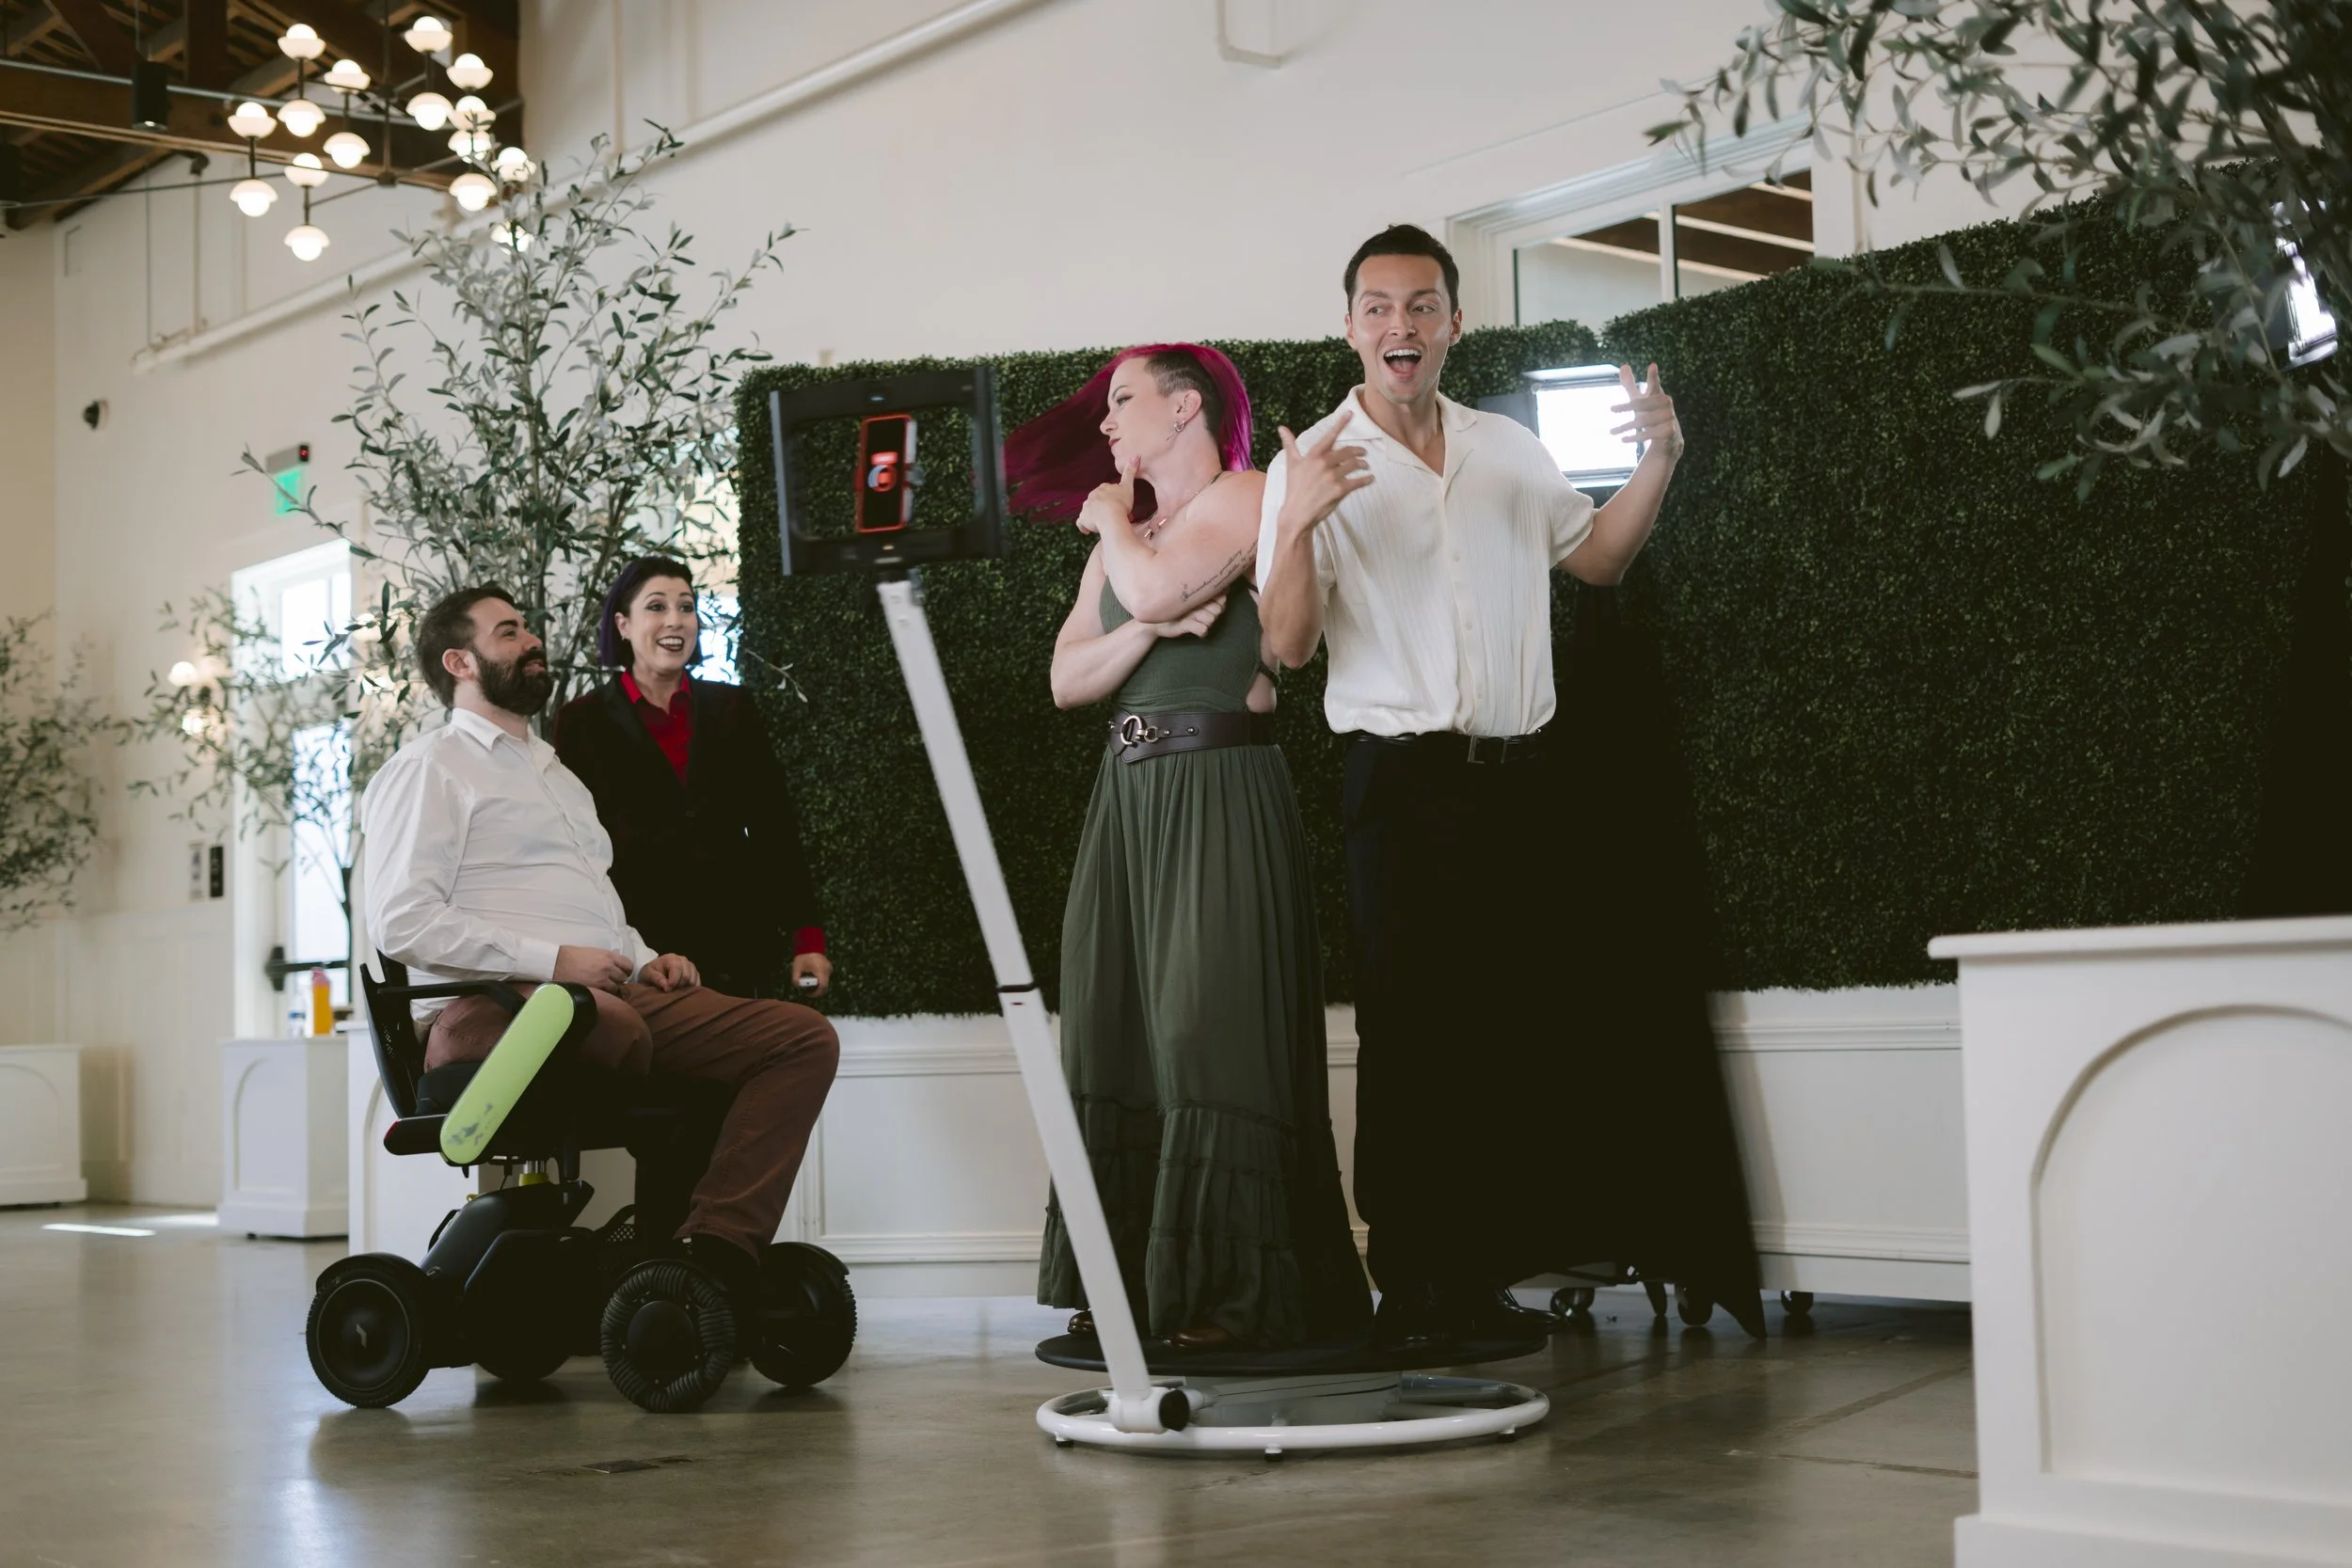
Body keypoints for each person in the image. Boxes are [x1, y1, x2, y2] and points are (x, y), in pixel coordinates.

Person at [1256, 224, 1688, 1348]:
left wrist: (1658, 459)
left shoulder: (1507, 447)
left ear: (1454, 321)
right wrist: (1295, 523)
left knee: (1504, 1028)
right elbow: (1287, 646)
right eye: (1378, 306)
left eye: (1421, 304)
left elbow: (1597, 558)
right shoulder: (1309, 466)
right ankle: (1412, 1286)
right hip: (1401, 784)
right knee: (1410, 1035)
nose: (1399, 324)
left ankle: (1480, 1272)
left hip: (1519, 781)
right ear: (1349, 326)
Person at [1013, 343, 1370, 1351]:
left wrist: (1107, 524)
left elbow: (1165, 592)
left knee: (1208, 1031)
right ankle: (1129, 1282)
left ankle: (1225, 1295)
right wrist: (1143, 633)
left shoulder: (1247, 495)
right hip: (1125, 798)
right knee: (1116, 1031)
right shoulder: (1130, 536)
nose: (1105, 422)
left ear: (1183, 408)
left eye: (1122, 399)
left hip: (1217, 786)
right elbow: (1068, 678)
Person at [360, 584, 841, 1317]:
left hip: (601, 994)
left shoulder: (555, 772)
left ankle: (711, 1254)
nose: (532, 640)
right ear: (459, 662)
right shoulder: (431, 767)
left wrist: (646, 958)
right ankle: (631, 1269)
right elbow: (402, 921)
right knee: (609, 1022)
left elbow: (595, 905)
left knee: (799, 1037)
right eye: (508, 631)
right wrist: (554, 961)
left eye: (528, 628)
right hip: (501, 1007)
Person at [554, 556, 832, 1002]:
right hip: (640, 952)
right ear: (623, 625)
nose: (676, 620)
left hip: (738, 943)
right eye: (657, 606)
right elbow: (575, 847)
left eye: (686, 607)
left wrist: (808, 937)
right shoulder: (580, 721)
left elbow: (774, 824)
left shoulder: (733, 707)